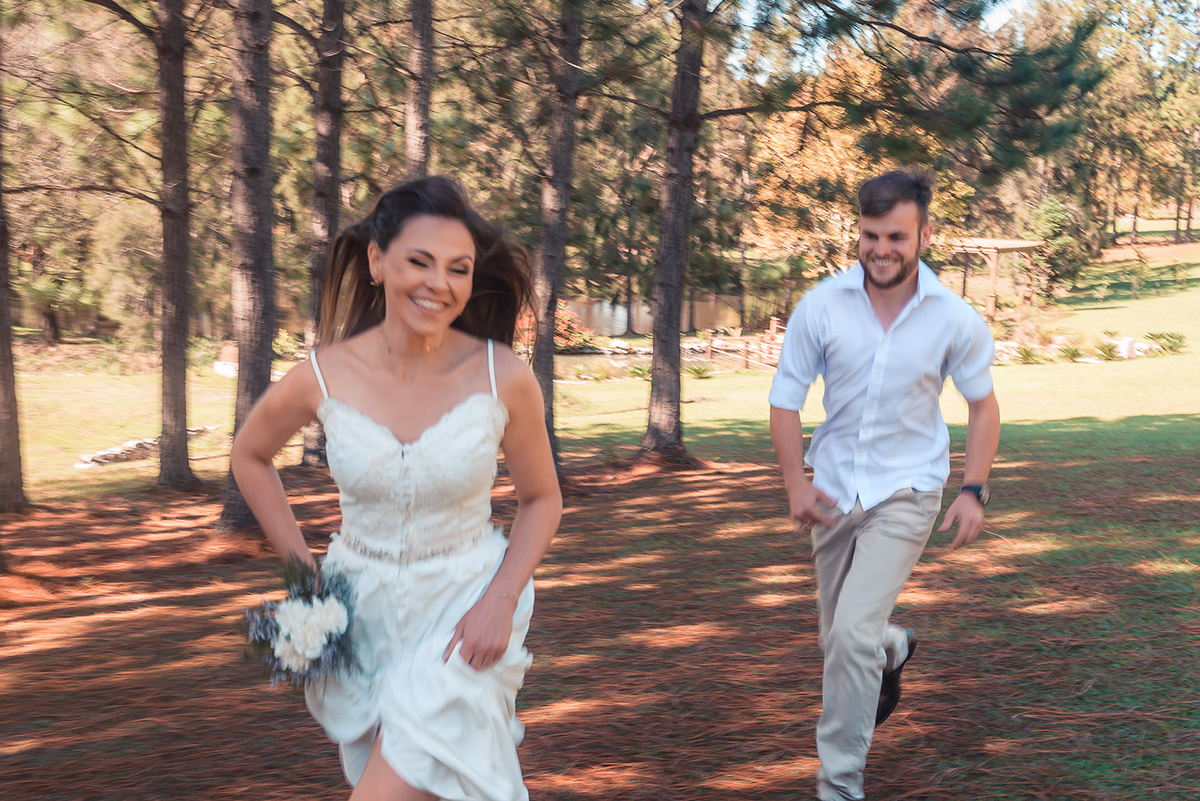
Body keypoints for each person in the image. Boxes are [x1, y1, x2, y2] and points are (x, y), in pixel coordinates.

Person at [230, 176, 562, 801]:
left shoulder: (504, 376)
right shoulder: (323, 375)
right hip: (363, 610)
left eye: (458, 269)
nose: (440, 283)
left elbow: (543, 500)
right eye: (420, 261)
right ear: (378, 262)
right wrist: (307, 582)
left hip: (469, 605)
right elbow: (250, 455)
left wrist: (499, 600)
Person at [768, 170, 1001, 801]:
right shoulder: (821, 305)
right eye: (871, 235)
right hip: (834, 495)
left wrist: (972, 489)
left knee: (848, 636)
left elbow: (984, 406)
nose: (881, 249)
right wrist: (796, 483)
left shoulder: (953, 318)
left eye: (896, 235)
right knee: (840, 640)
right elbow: (786, 400)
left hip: (908, 491)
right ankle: (892, 646)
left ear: (924, 234)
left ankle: (838, 785)